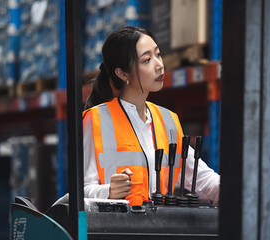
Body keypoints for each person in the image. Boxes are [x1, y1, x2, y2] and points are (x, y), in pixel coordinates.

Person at [82, 26, 219, 206]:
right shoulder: (97, 120)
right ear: (122, 73)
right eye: (147, 60)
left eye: (158, 54)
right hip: (116, 229)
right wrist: (108, 191)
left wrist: (239, 189)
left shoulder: (168, 120)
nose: (159, 64)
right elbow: (81, 190)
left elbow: (202, 180)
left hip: (156, 227)